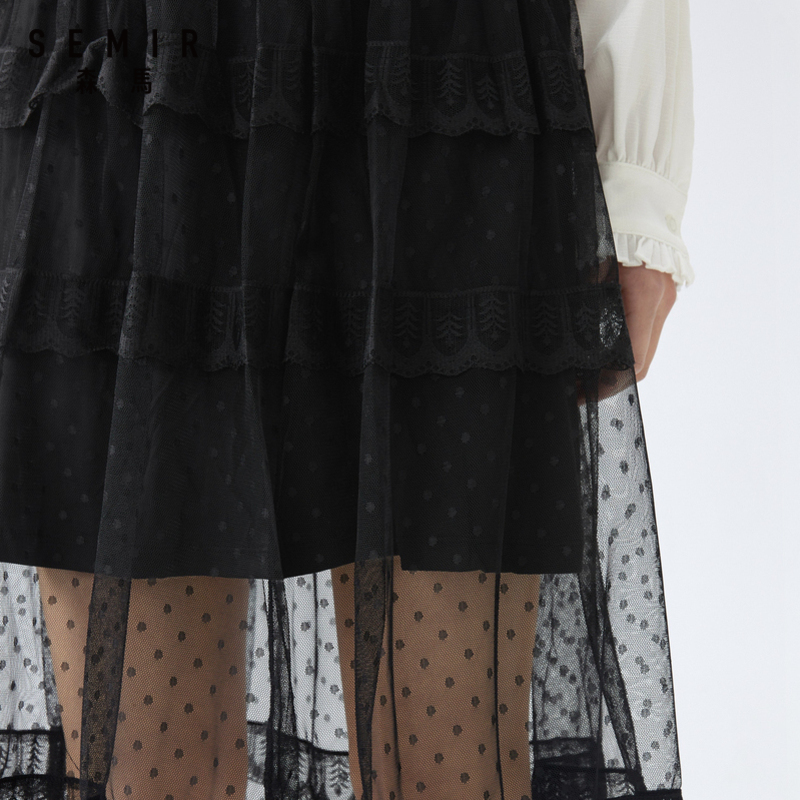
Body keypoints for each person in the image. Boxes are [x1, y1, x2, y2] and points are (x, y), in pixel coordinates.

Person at [0, 1, 693, 798]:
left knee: (448, 763)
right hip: (124, 71)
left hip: (434, 82)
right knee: (140, 765)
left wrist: (640, 197)